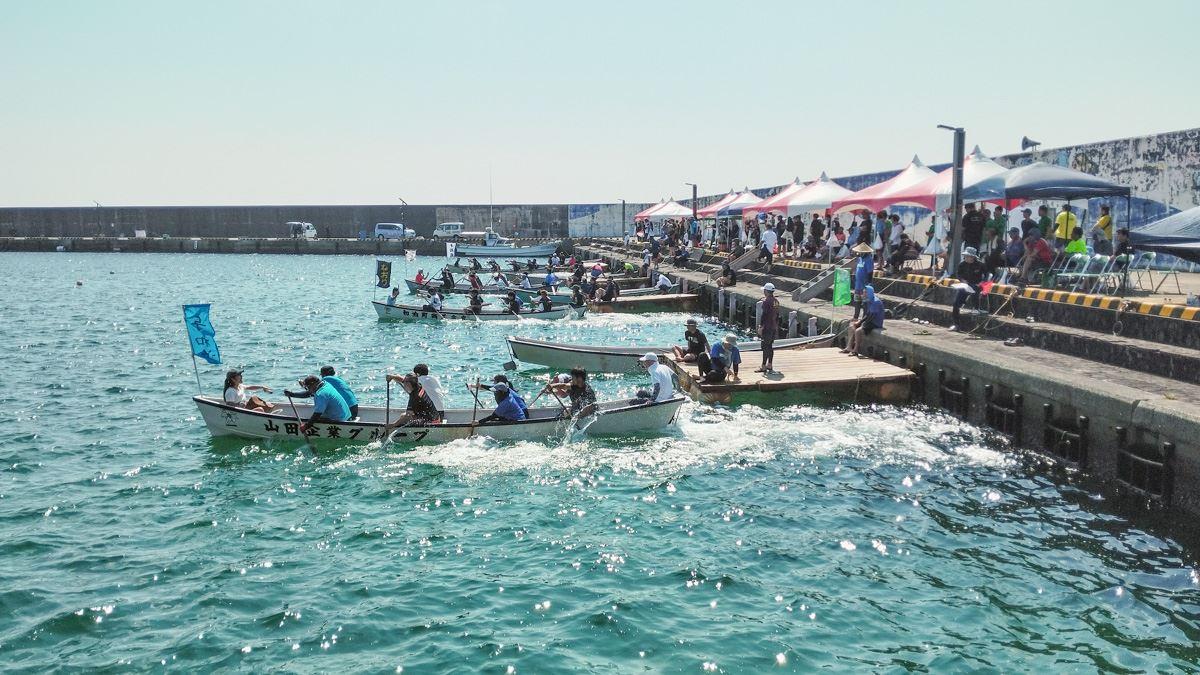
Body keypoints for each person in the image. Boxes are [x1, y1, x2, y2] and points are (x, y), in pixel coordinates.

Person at [285, 374, 350, 431]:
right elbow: (308, 393)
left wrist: (306, 426)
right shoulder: (325, 384)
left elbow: (317, 414)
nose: (307, 389)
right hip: (346, 416)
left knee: (315, 418)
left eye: (308, 387)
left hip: (339, 420)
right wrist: (292, 394)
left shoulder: (321, 394)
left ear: (313, 385)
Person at [950, 247, 988, 331]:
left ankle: (976, 307)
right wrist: (962, 280)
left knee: (975, 290)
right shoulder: (962, 264)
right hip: (965, 285)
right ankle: (956, 324)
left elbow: (987, 275)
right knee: (956, 304)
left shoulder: (980, 265)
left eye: (969, 256)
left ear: (973, 257)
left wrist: (982, 282)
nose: (967, 258)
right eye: (966, 256)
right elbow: (958, 274)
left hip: (976, 285)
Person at [843, 285, 885, 357]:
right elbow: (867, 314)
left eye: (865, 292)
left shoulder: (876, 302)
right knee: (851, 326)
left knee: (858, 331)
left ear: (869, 293)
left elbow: (871, 316)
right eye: (863, 292)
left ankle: (855, 350)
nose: (863, 294)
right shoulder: (868, 300)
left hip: (875, 322)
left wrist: (861, 324)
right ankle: (849, 347)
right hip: (869, 319)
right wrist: (859, 322)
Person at [757, 283, 779, 373]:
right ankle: (770, 364)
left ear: (766, 291)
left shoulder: (766, 301)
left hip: (767, 327)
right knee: (770, 346)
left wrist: (761, 326)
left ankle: (763, 366)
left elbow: (764, 315)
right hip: (774, 326)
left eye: (764, 290)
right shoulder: (776, 301)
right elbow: (777, 315)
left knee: (765, 346)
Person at [851, 242, 874, 319]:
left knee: (865, 304)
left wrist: (868, 284)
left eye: (861, 252)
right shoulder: (859, 259)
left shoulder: (869, 260)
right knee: (857, 301)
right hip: (858, 285)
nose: (859, 253)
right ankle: (855, 317)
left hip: (865, 286)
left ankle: (864, 318)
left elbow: (870, 273)